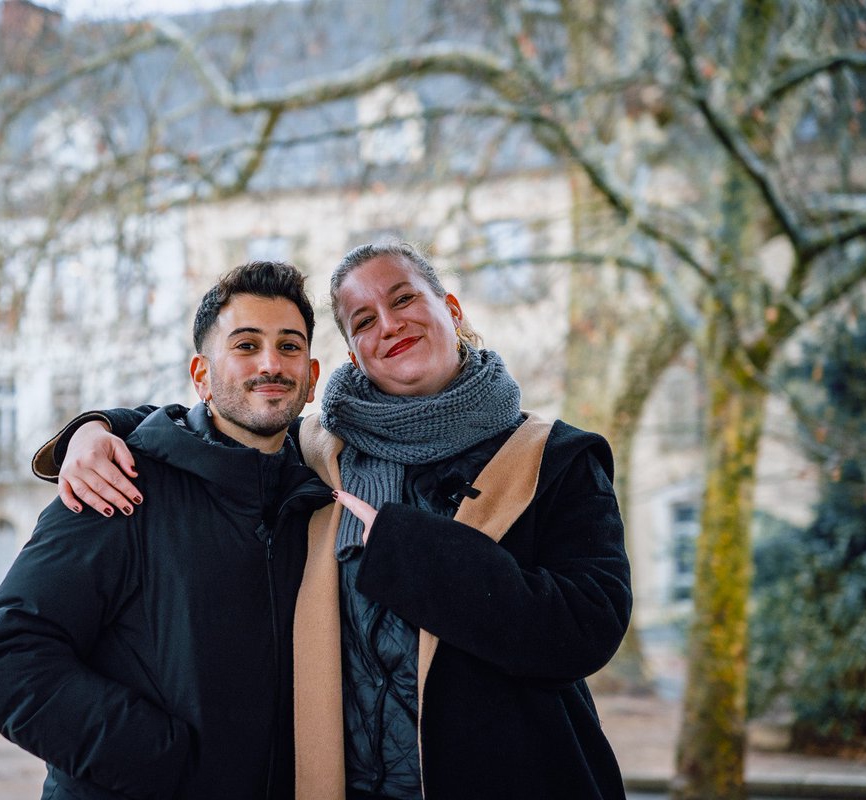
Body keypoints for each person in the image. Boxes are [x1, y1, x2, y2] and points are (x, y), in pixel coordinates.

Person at [37, 242, 632, 800]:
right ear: (353, 353)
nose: (389, 324)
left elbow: (586, 627)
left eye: (403, 299)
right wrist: (98, 428)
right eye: (363, 320)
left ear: (449, 309)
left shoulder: (553, 457)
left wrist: (409, 548)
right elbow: (222, 415)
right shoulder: (318, 450)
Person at [0, 261, 332, 800]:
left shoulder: (316, 498)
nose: (270, 363)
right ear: (201, 375)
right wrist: (167, 763)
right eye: (245, 345)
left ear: (311, 377)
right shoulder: (117, 482)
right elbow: (12, 658)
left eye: (289, 346)